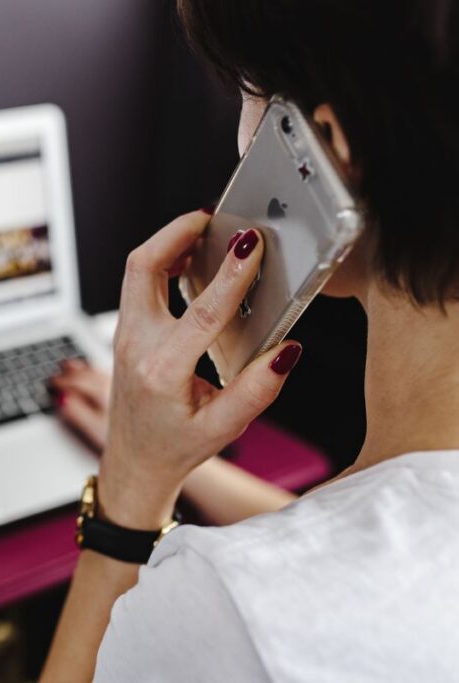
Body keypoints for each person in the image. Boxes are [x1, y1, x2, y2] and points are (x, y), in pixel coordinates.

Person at [40, 1, 459, 680]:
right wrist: (195, 470)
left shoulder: (229, 605)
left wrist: (131, 489)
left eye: (247, 93)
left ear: (329, 148)